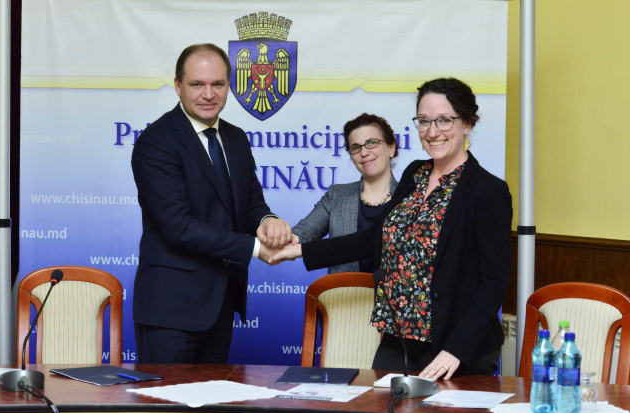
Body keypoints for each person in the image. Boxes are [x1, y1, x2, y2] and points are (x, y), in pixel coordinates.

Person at [272, 78, 512, 380]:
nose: (432, 131)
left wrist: (456, 349)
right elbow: (376, 238)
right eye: (424, 121)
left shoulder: (488, 191)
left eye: (444, 120)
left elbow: (494, 281)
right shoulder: (414, 174)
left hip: (453, 346)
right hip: (398, 338)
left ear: (467, 123)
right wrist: (299, 250)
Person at [131, 43, 291, 364]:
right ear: (177, 86)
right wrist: (257, 249)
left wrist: (266, 221)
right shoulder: (156, 143)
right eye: (197, 84)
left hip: (219, 305)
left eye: (217, 84)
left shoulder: (235, 138)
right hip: (170, 311)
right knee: (167, 412)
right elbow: (179, 227)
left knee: (209, 410)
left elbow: (250, 205)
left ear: (229, 85)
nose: (208, 94)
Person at [291, 113, 399, 273]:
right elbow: (302, 233)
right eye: (356, 147)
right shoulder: (337, 196)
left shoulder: (412, 196)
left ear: (391, 148)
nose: (364, 152)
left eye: (371, 143)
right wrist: (277, 237)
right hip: (343, 296)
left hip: (394, 297)